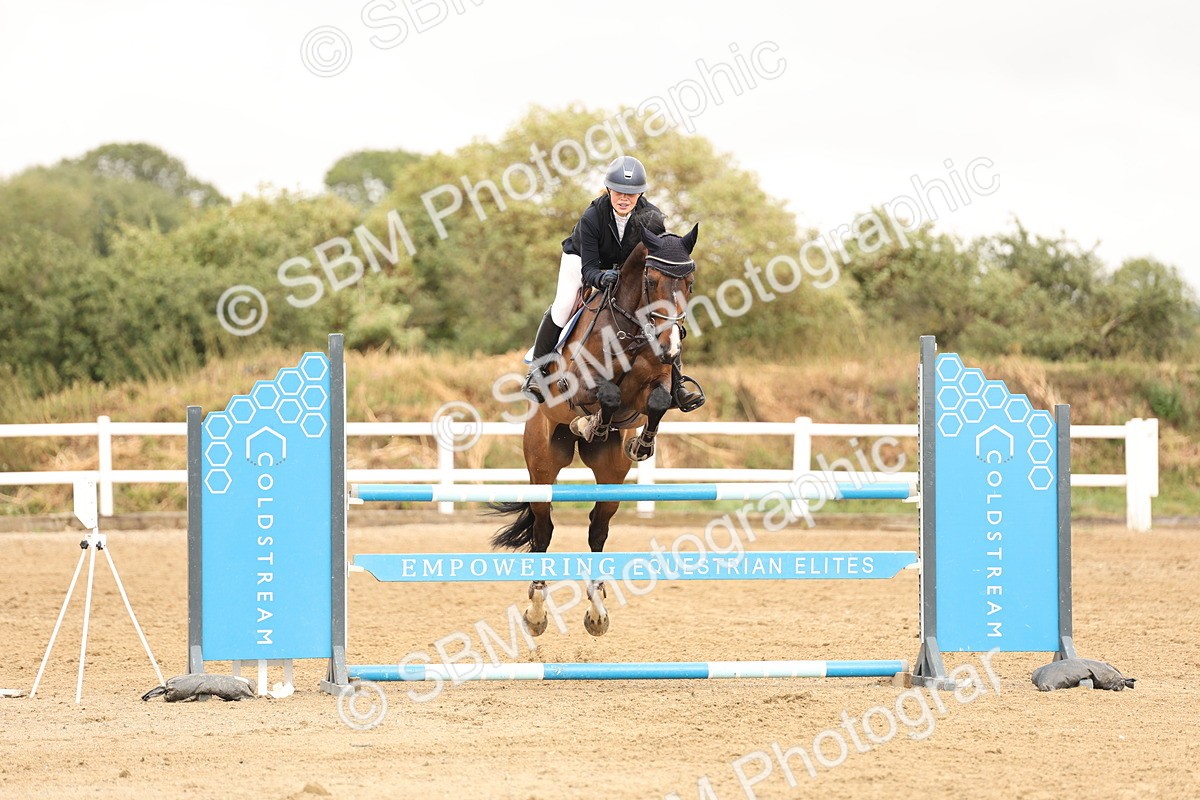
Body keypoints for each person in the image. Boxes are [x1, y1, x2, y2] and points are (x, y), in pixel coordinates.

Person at [521, 155, 704, 412]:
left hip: (627, 268)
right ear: (609, 189)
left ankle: (677, 383)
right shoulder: (593, 217)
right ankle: (537, 370)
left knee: (665, 312)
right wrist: (600, 277)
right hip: (583, 259)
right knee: (563, 305)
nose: (624, 198)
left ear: (640, 194)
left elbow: (657, 261)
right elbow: (589, 269)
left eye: (631, 193)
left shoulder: (652, 218)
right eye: (619, 191)